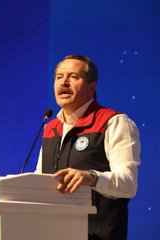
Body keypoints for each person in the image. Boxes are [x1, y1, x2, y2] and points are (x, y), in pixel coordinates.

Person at [35, 55, 140, 240]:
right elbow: (40, 181)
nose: (64, 83)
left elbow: (128, 184)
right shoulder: (50, 128)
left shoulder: (114, 122)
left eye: (73, 77)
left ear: (91, 88)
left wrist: (91, 177)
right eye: (59, 77)